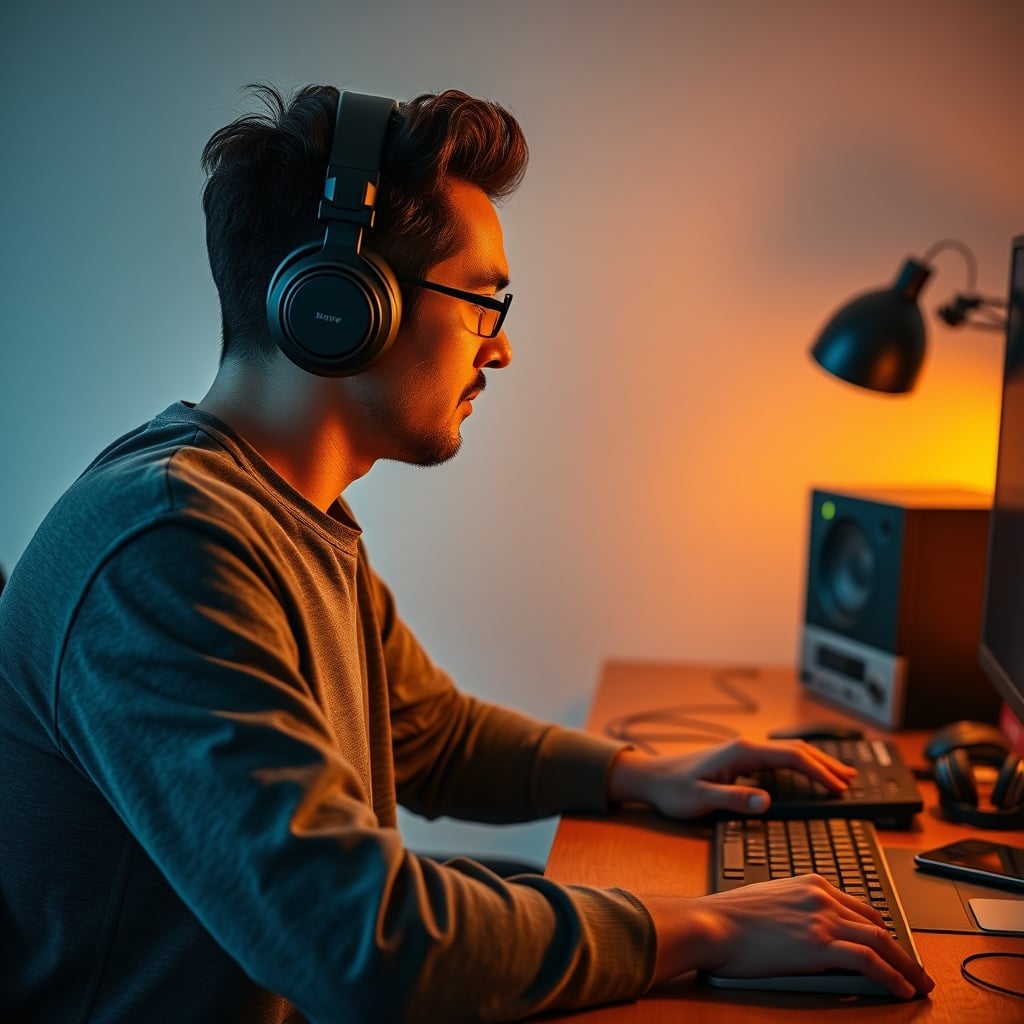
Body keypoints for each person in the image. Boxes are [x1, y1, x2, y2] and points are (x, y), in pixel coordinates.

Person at [0, 84, 934, 1023]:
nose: (504, 348)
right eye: (484, 302)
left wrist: (639, 773)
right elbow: (357, 943)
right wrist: (698, 929)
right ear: (339, 303)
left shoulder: (281, 512)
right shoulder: (167, 546)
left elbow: (429, 734)